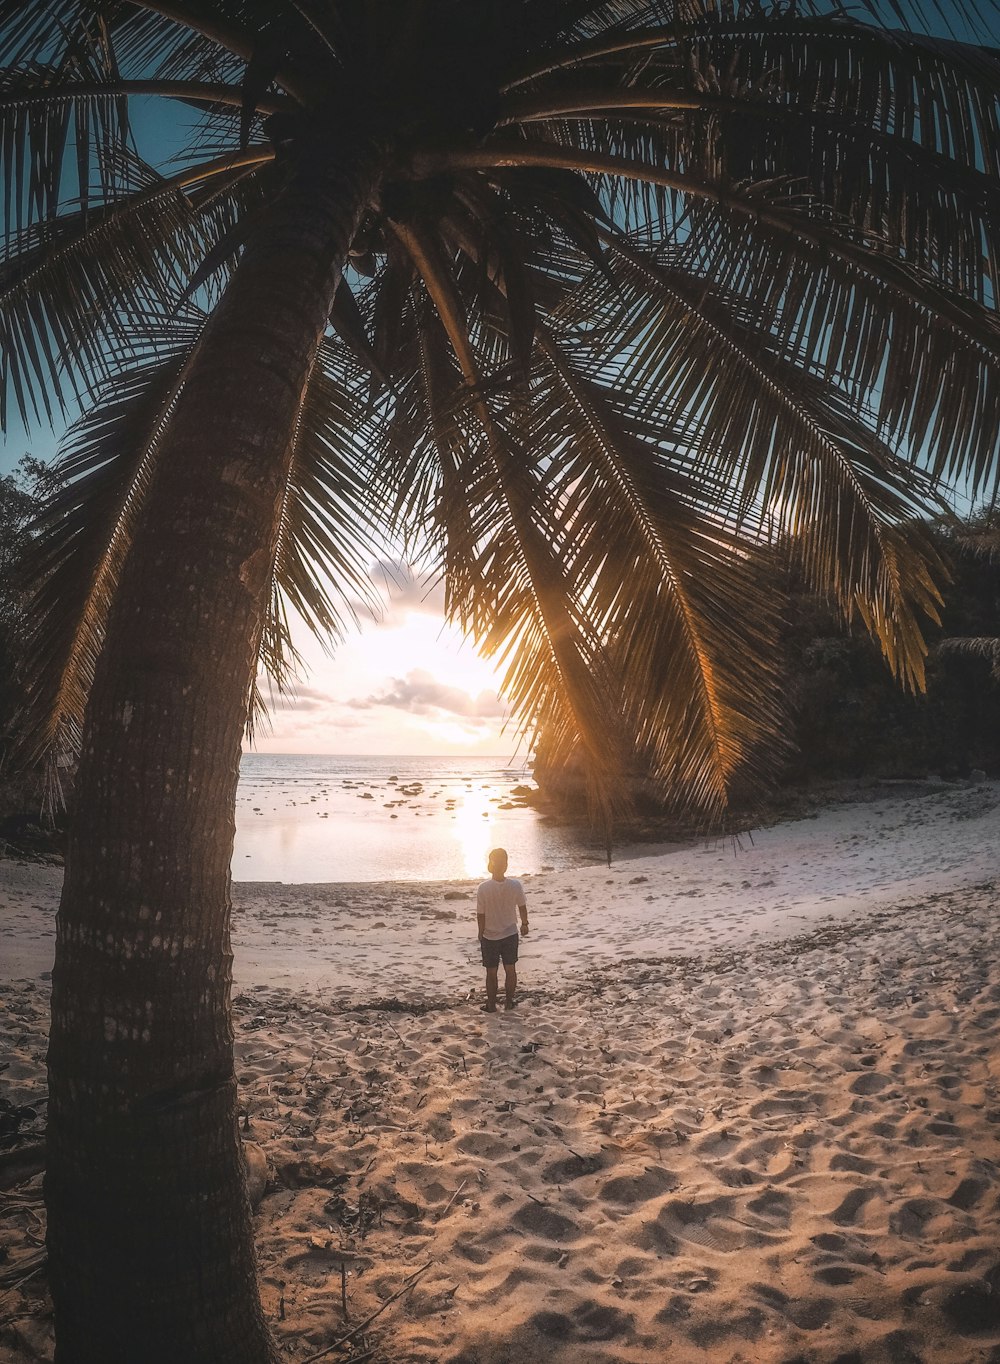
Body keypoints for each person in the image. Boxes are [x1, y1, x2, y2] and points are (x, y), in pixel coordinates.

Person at [476, 847, 528, 1012]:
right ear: (505, 865)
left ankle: (491, 1005)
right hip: (510, 933)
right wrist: (525, 923)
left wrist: (480, 931)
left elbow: (481, 914)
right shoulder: (515, 885)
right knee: (510, 969)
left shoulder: (483, 888)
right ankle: (508, 1003)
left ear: (490, 865)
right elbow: (522, 907)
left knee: (491, 972)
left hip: (490, 935)